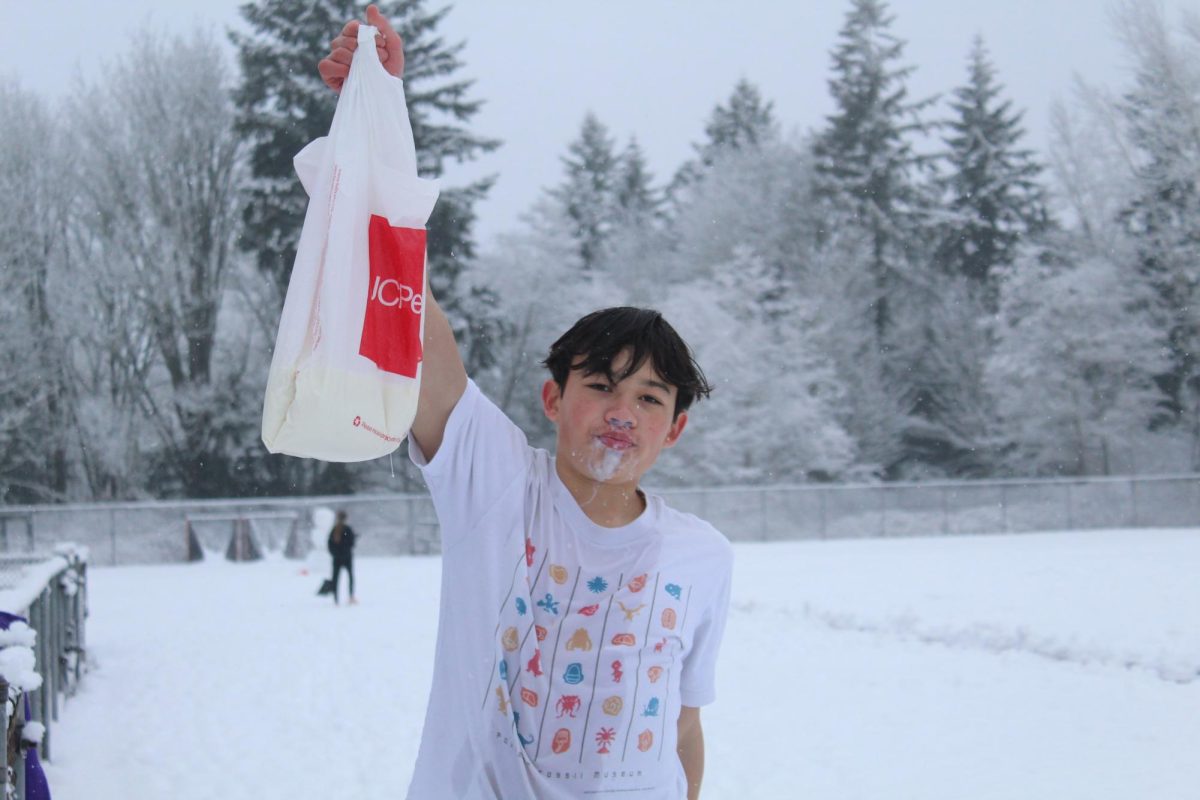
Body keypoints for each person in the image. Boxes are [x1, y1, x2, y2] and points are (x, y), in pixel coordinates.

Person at [320, 8, 733, 799]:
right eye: (602, 384)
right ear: (554, 397)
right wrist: (372, 120)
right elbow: (409, 315)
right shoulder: (497, 487)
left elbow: (684, 724)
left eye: (650, 397)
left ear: (674, 428)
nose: (623, 412)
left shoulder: (702, 557)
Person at [327, 509, 356, 605]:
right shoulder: (347, 529)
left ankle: (336, 599)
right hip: (347, 558)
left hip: (337, 558)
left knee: (335, 578)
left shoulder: (334, 530)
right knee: (350, 577)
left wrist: (336, 553)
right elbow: (351, 543)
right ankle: (351, 596)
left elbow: (330, 544)